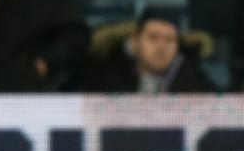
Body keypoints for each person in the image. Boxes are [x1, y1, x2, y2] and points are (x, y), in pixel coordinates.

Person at [76, 7, 217, 92]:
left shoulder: (197, 87)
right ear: (135, 42)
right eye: (153, 37)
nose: (161, 47)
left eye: (170, 40)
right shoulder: (101, 81)